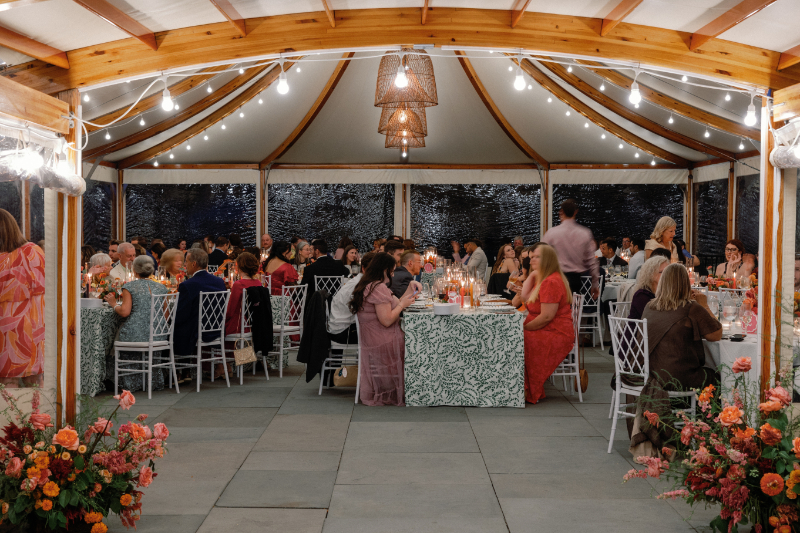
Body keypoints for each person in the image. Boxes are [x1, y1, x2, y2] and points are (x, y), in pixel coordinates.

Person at [349, 253, 420, 406]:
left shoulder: (372, 284)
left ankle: (416, 388)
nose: (393, 274)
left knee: (417, 339)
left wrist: (410, 288)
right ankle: (419, 390)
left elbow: (396, 303)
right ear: (384, 270)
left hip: (374, 335)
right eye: (392, 271)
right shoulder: (378, 288)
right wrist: (402, 306)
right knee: (418, 343)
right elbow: (387, 320)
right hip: (381, 338)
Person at [642, 263, 721, 390]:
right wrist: (704, 305)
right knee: (719, 377)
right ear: (686, 283)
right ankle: (708, 410)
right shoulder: (691, 308)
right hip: (679, 377)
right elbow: (716, 335)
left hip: (652, 373)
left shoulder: (649, 306)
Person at [518, 244, 575, 404]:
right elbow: (524, 297)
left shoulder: (551, 282)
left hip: (555, 332)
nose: (531, 260)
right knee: (514, 338)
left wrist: (522, 328)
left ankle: (525, 388)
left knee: (517, 340)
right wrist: (533, 274)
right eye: (532, 257)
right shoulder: (545, 278)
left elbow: (546, 317)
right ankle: (519, 387)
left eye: (537, 257)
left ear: (548, 260)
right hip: (546, 328)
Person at [103, 256, 169, 392]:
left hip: (136, 335)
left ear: (134, 270)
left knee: (113, 338)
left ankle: (126, 381)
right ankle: (153, 381)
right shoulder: (161, 287)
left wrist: (114, 304)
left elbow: (125, 312)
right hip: (158, 335)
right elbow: (166, 314)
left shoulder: (130, 286)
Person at [0, 209, 45, 388]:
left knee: (6, 380)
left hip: (6, 327)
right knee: (35, 381)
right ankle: (39, 416)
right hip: (35, 326)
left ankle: (9, 417)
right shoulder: (33, 252)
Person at [173, 248, 227, 363]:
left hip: (196, 331)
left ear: (194, 264)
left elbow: (181, 315)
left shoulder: (188, 285)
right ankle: (186, 371)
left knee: (174, 328)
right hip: (216, 328)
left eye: (186, 261)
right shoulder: (219, 282)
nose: (184, 264)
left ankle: (178, 371)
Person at [542, 199, 599, 299]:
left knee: (555, 310)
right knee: (571, 311)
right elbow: (592, 261)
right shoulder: (585, 233)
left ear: (561, 212)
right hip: (575, 280)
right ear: (575, 212)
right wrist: (595, 283)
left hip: (555, 278)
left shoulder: (551, 233)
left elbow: (541, 255)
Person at [328, 252, 377, 344]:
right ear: (363, 269)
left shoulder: (360, 281)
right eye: (373, 270)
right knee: (381, 332)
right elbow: (364, 313)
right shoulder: (360, 285)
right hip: (342, 332)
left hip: (339, 326)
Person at [225, 252, 262, 337]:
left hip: (238, 326)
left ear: (240, 267)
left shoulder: (239, 285)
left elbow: (230, 311)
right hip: (254, 325)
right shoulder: (258, 283)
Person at [628, 256, 669, 321]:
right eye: (662, 272)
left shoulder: (665, 291)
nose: (667, 275)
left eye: (668, 271)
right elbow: (655, 317)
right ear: (651, 274)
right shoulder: (641, 295)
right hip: (639, 330)